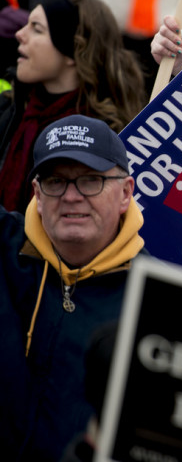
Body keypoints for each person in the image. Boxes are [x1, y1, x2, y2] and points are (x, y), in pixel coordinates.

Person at [0, 114, 146, 461]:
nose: (71, 196)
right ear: (36, 192)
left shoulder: (157, 301)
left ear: (126, 193)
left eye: (90, 180)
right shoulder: (4, 248)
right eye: (55, 181)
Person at [0, 0, 146, 213]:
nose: (20, 33)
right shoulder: (9, 109)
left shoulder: (109, 137)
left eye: (36, 29)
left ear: (72, 50)